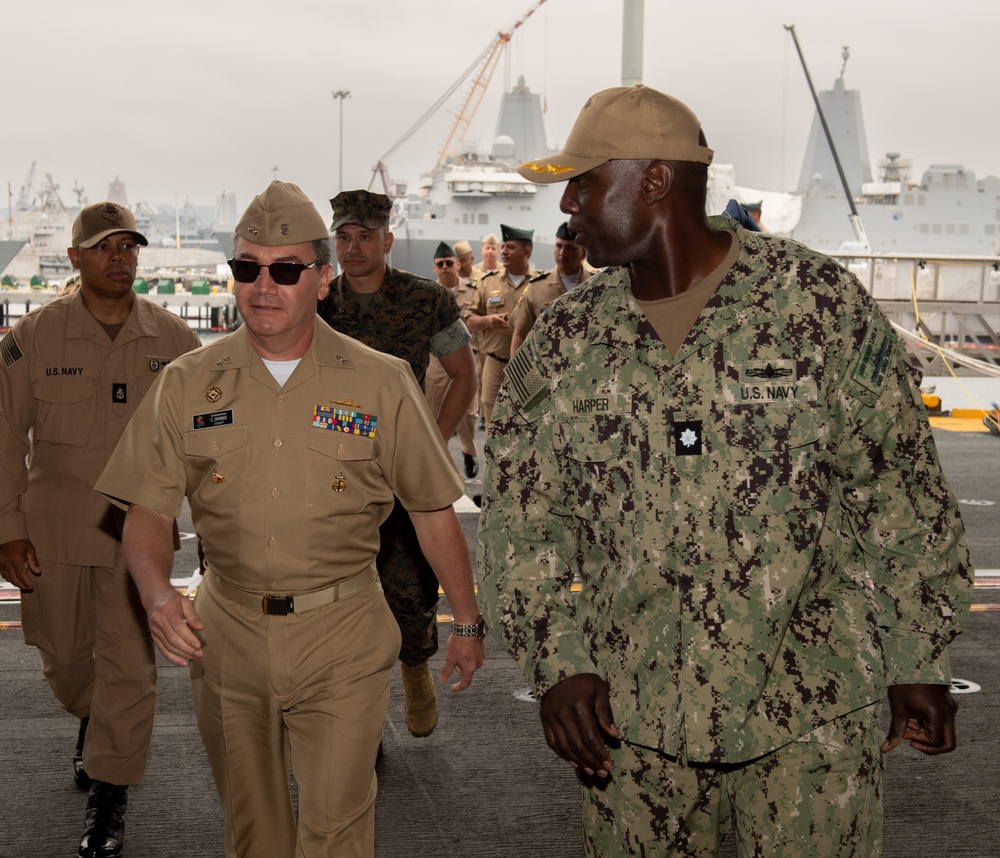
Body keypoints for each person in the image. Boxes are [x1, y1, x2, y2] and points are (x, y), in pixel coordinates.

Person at [477, 84, 973, 857]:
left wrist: (920, 656)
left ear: (654, 180)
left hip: (807, 716)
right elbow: (521, 519)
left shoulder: (815, 307)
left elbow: (900, 491)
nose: (569, 202)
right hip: (631, 728)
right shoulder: (567, 339)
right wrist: (559, 662)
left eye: (586, 179)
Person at [94, 181, 485, 858]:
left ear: (323, 279)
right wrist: (157, 595)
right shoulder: (188, 382)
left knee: (335, 829)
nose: (262, 285)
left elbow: (430, 507)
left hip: (342, 634)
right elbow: (148, 510)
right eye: (247, 268)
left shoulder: (381, 382)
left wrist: (467, 621)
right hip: (227, 639)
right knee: (255, 833)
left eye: (284, 270)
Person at [0, 201, 199, 858]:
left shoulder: (173, 342)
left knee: (130, 667)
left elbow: (207, 439)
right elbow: (4, 438)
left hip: (136, 535)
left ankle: (109, 796)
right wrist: (6, 528)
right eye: (105, 247)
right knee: (66, 661)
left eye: (129, 247)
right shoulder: (35, 336)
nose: (121, 258)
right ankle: (92, 716)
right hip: (52, 531)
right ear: (76, 257)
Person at [317, 190, 477, 738]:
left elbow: (463, 373)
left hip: (398, 468)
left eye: (365, 236)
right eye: (343, 236)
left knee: (409, 585)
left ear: (387, 240)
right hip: (330, 466)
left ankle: (414, 670)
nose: (353, 247)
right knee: (334, 591)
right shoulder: (317, 302)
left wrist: (428, 442)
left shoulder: (426, 299)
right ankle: (352, 714)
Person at [466, 223, 537, 427]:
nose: (503, 252)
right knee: (491, 411)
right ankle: (494, 459)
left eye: (510, 247)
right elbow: (470, 319)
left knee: (531, 414)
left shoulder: (539, 284)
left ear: (526, 251)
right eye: (503, 247)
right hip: (494, 363)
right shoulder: (489, 283)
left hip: (529, 364)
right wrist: (488, 321)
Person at [424, 241, 481, 478]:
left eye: (450, 263)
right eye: (441, 264)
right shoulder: (427, 295)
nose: (446, 267)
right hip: (436, 361)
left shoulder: (475, 290)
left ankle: (469, 450)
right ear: (434, 268)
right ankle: (439, 461)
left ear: (458, 265)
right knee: (434, 413)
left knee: (468, 413)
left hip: (468, 357)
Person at [509, 221, 599, 354]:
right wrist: (518, 373)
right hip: (547, 370)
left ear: (583, 254)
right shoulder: (536, 287)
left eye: (570, 248)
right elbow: (520, 334)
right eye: (559, 246)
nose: (562, 253)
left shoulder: (598, 284)